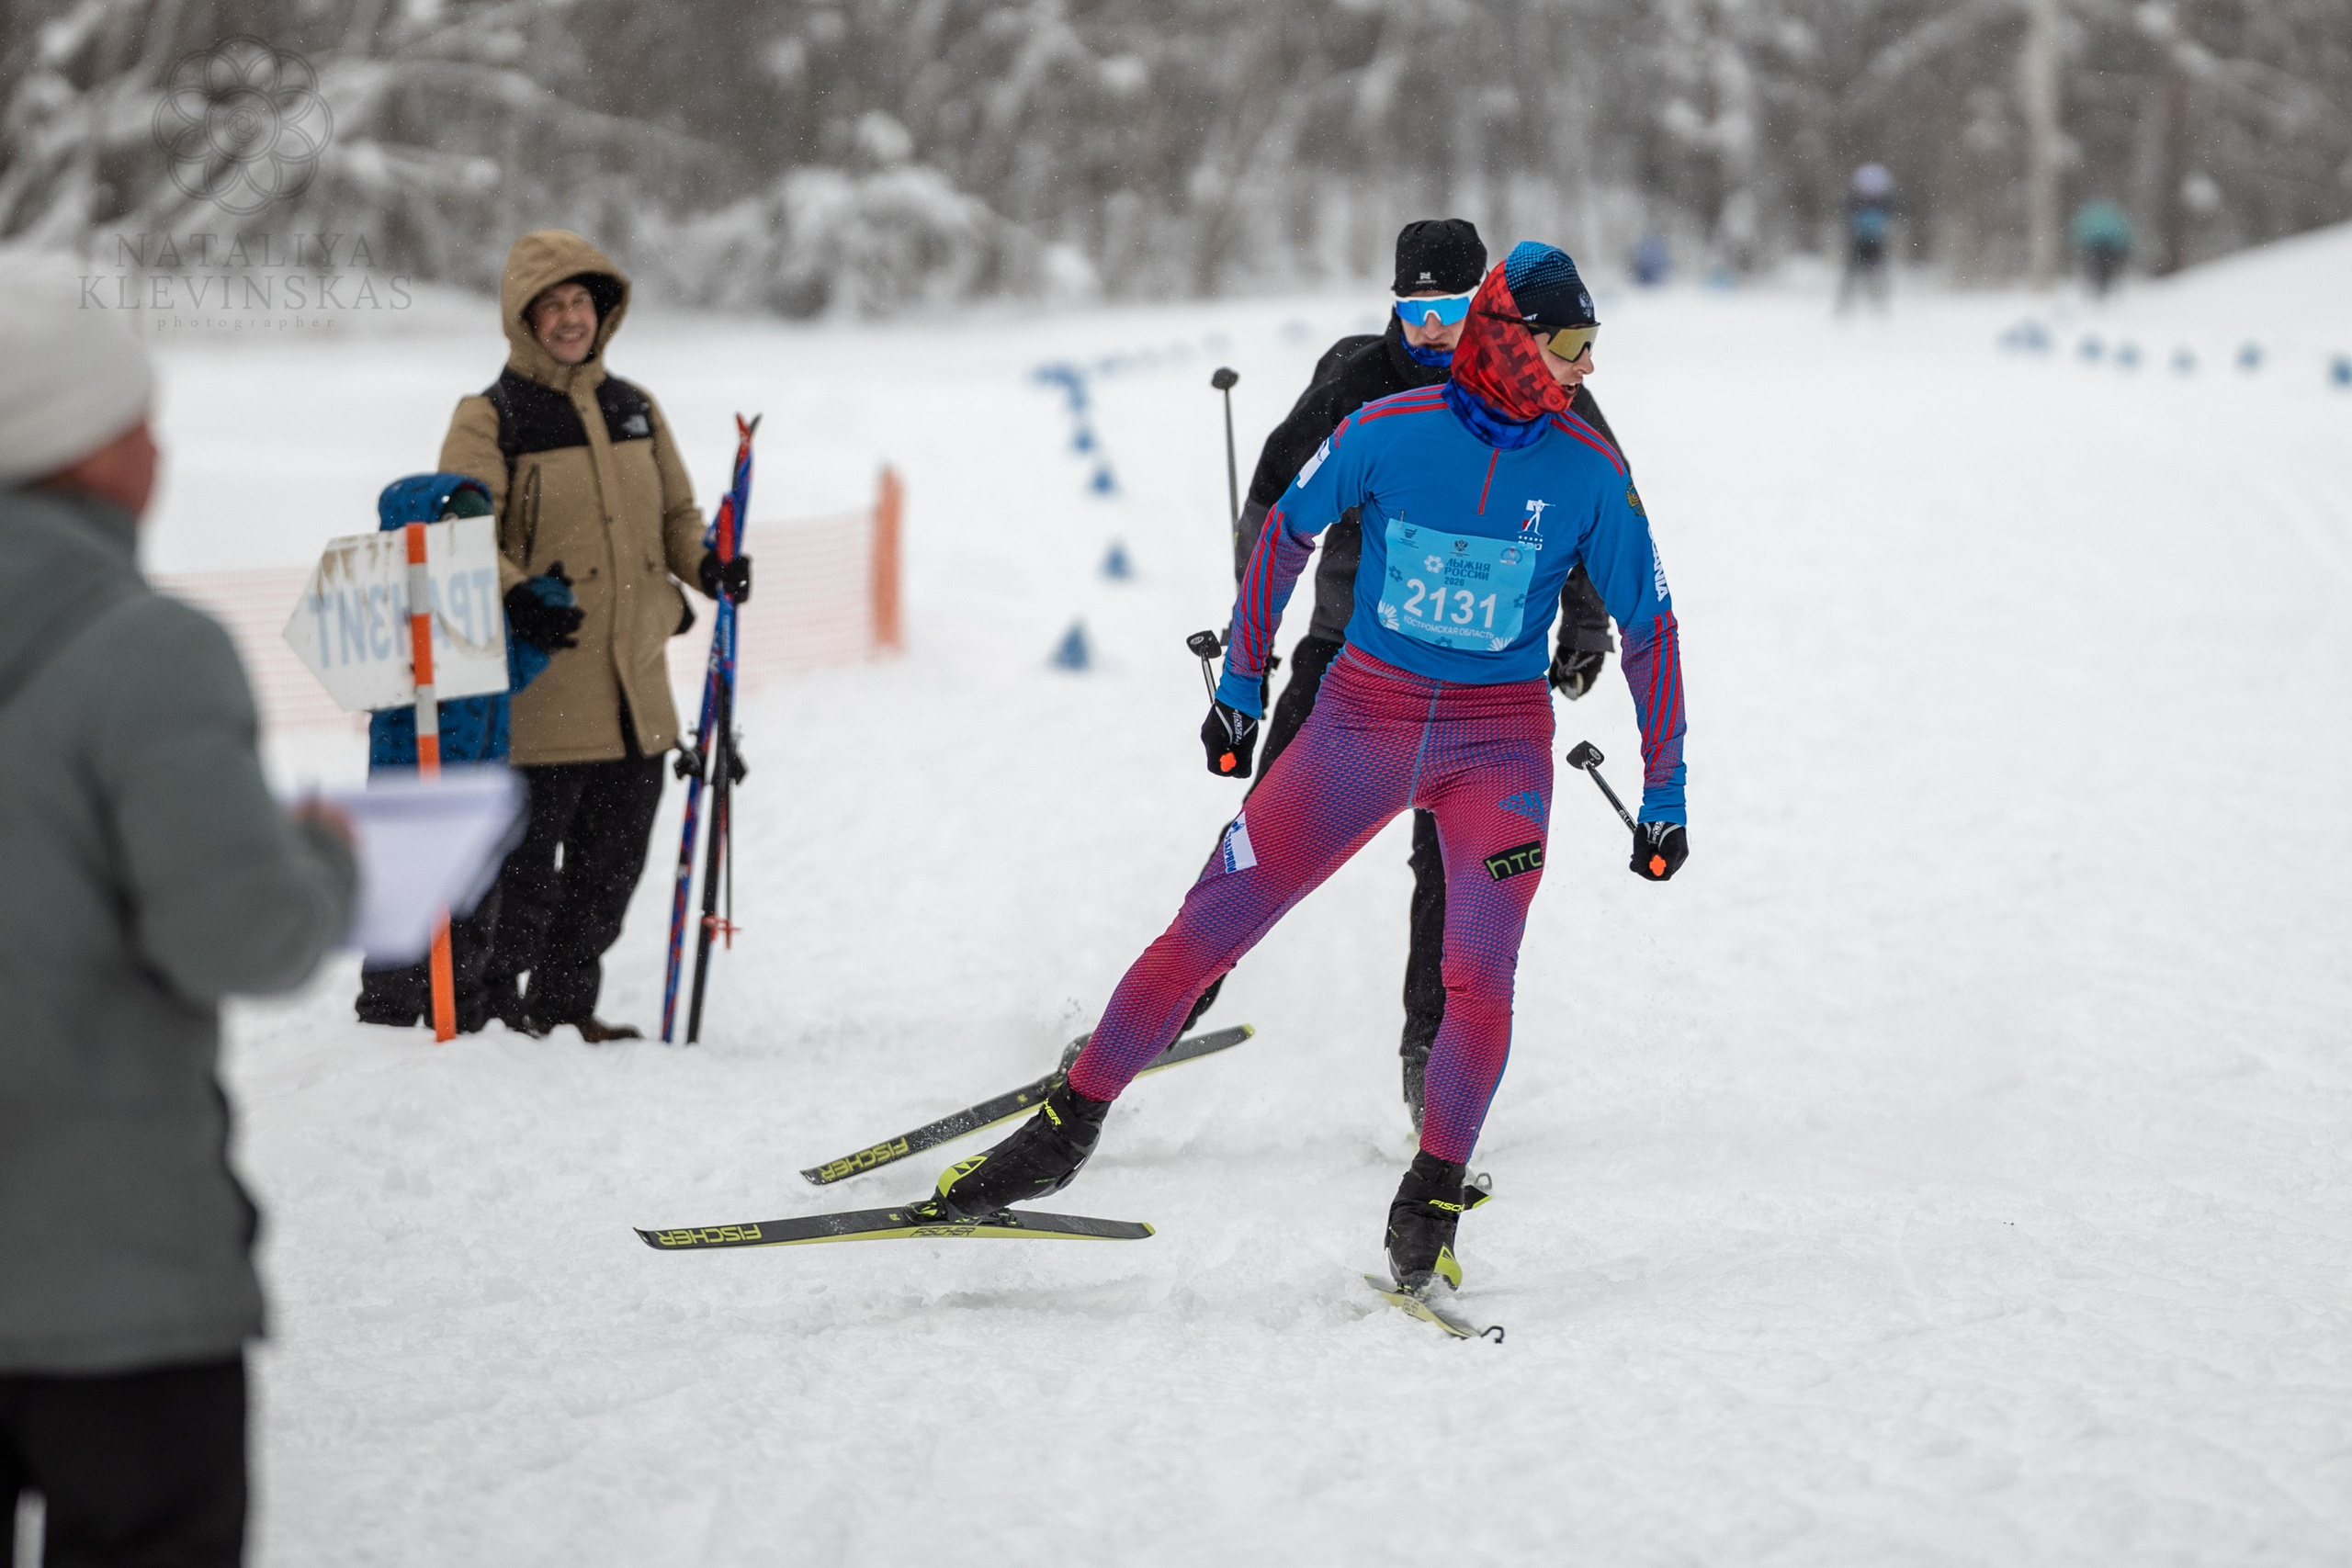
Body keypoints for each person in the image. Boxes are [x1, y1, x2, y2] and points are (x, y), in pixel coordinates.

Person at [937, 243, 1689, 1298]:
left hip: (1496, 747)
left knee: (1478, 973)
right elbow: (1282, 536)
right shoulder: (1382, 430)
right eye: (1572, 346)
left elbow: (1650, 625)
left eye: (1594, 345)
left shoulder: (1586, 469)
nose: (1588, 369)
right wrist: (1241, 688)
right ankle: (1061, 1133)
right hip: (1358, 723)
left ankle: (1430, 1193)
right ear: (1517, 343)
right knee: (1207, 927)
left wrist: (1666, 791)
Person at [1, 266, 357, 1567]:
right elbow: (238, 934)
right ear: (86, 447)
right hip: (118, 1289)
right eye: (141, 419)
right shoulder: (148, 652)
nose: (160, 447)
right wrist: (322, 862)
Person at [1194, 219, 1628, 1132]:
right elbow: (1275, 497)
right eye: (1413, 309)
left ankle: (1426, 1058)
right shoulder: (1355, 382)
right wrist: (1251, 627)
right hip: (1346, 659)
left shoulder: (1540, 391)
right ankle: (1175, 1000)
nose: (1431, 329)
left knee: (1448, 872)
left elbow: (1602, 509)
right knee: (1258, 843)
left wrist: (1585, 630)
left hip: (1478, 689)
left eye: (1451, 309)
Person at [439, 231, 751, 1043]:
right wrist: (517, 597)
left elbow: (679, 517)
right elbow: (461, 534)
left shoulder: (634, 407)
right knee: (526, 871)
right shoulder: (491, 417)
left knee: (611, 870)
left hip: (636, 693)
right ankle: (503, 1010)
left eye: (582, 302)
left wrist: (709, 567)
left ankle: (567, 1004)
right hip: (543, 690)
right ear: (524, 318)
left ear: (602, 311)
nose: (571, 318)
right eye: (553, 305)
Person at [352, 472, 582, 1032]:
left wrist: (541, 629)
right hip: (412, 787)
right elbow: (374, 677)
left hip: (479, 783)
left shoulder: (480, 600)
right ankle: (390, 1017)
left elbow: (505, 676)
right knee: (406, 906)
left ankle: (461, 1013)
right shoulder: (391, 601)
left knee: (473, 907)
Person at [1838, 163, 1896, 312]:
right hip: (1862, 240)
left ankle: (1876, 302)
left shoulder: (1880, 203)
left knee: (1872, 272)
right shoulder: (1858, 202)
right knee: (1857, 272)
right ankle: (1850, 302)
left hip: (1872, 240)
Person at [2072, 199, 2134, 298]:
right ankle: (2105, 284)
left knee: (2097, 267)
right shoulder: (2113, 214)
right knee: (2107, 268)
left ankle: (2100, 285)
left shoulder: (2090, 215)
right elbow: (2123, 232)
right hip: (2109, 247)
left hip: (2095, 247)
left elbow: (2079, 230)